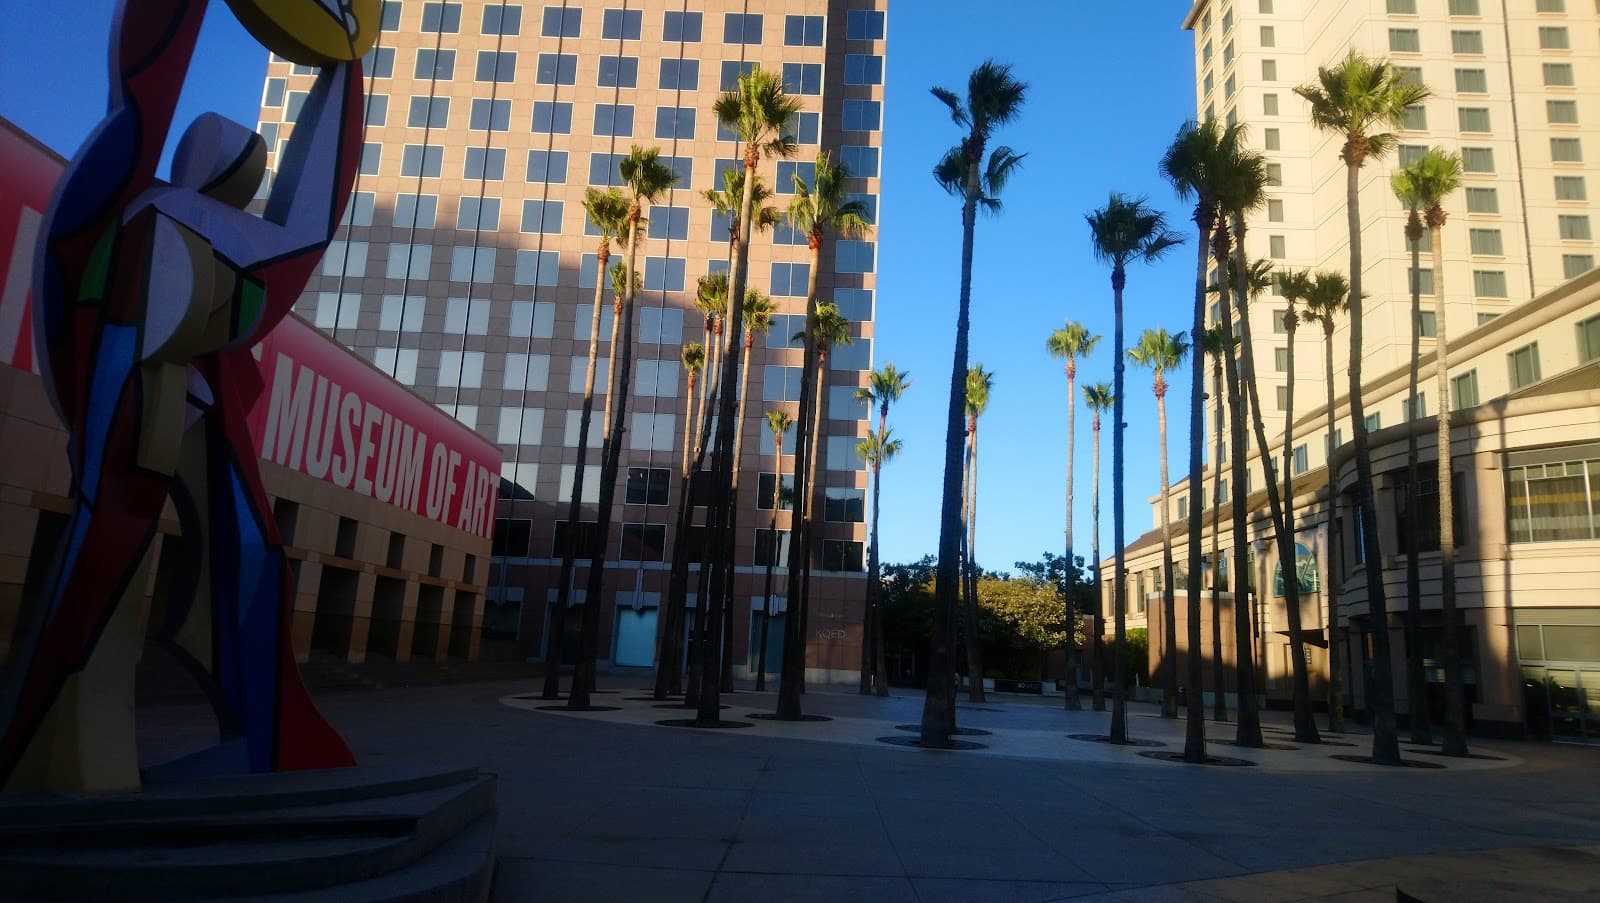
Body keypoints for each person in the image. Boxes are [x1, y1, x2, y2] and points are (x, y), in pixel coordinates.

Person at [0, 0, 369, 791]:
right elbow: (147, 76)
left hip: (194, 413)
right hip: (135, 406)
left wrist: (348, 68)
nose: (251, 156)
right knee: (110, 559)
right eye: (241, 150)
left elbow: (306, 226)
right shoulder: (146, 205)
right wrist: (344, 68)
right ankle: (53, 738)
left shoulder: (221, 235)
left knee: (251, 551)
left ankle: (275, 727)